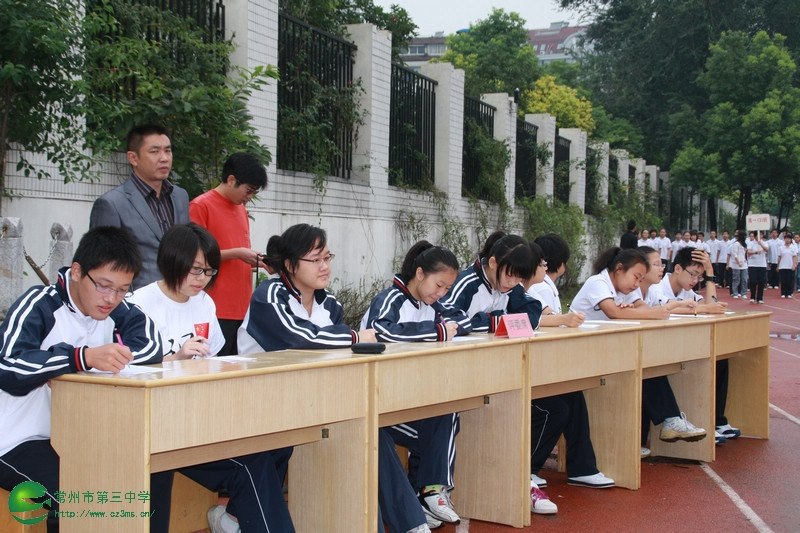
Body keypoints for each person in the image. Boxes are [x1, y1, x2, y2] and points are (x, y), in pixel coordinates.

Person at [237, 224, 430, 533]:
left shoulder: (330, 303)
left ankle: (411, 524)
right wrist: (353, 336)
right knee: (359, 429)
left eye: (327, 258)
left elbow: (338, 351)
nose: (324, 266)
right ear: (290, 264)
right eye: (315, 259)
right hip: (262, 401)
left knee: (368, 429)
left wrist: (350, 340)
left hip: (314, 399)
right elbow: (300, 338)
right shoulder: (269, 295)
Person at [0, 226, 170, 533]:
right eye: (104, 286)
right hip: (15, 440)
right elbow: (8, 366)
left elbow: (151, 346)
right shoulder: (40, 304)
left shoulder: (116, 308)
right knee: (77, 498)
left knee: (149, 471)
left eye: (123, 289)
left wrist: (108, 359)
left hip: (74, 437)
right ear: (77, 272)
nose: (111, 299)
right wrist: (80, 358)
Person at [129, 223, 294, 532]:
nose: (202, 279)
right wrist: (174, 359)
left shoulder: (204, 302)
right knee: (250, 464)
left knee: (277, 442)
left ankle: (232, 519)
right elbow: (126, 372)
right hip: (159, 423)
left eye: (209, 272)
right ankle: (231, 520)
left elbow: (213, 359)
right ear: (172, 260)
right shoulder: (140, 305)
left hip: (201, 418)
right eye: (196, 270)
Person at [442, 232, 556, 515]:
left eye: (519, 279)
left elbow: (532, 312)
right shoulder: (467, 283)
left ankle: (519, 479)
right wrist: (496, 322)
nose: (513, 283)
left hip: (492, 371)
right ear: (493, 263)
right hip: (454, 372)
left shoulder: (508, 285)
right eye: (511, 275)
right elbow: (449, 319)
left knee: (523, 407)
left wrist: (501, 320)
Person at [361, 241, 472, 527]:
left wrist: (447, 326)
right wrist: (436, 331)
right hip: (375, 403)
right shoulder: (391, 298)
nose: (441, 293)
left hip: (408, 399)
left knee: (447, 410)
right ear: (420, 274)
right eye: (439, 285)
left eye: (447, 288)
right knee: (438, 429)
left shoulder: (431, 304)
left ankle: (429, 492)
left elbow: (462, 321)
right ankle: (427, 493)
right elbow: (381, 330)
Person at [569, 247, 707, 458]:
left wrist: (655, 312)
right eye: (635, 277)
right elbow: (613, 312)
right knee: (643, 365)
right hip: (581, 351)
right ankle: (666, 422)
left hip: (604, 348)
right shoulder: (598, 282)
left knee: (647, 364)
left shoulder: (624, 288)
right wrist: (652, 314)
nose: (636, 284)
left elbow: (641, 308)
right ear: (619, 269)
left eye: (640, 279)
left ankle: (658, 427)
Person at [524, 239, 614, 495]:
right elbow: (531, 319)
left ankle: (582, 467)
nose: (545, 266)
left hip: (541, 361)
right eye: (540, 263)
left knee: (573, 394)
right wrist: (561, 319)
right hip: (529, 367)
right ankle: (527, 467)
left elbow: (539, 315)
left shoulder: (535, 287)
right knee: (556, 408)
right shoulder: (533, 287)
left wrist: (558, 319)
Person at [90, 124, 190, 290]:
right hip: (136, 299)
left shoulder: (180, 196)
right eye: (154, 151)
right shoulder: (111, 204)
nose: (164, 158)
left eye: (168, 150)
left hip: (178, 295)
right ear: (133, 158)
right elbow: (103, 265)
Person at [656, 247, 739, 445]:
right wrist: (704, 309)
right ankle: (704, 421)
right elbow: (667, 310)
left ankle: (716, 421)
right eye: (693, 274)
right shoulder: (658, 286)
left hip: (679, 343)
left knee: (720, 357)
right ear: (678, 269)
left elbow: (712, 305)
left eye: (699, 276)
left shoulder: (687, 290)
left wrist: (710, 274)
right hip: (660, 346)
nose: (695, 280)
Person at [190, 153, 268, 355]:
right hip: (215, 306)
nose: (250, 197)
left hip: (242, 307)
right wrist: (237, 253)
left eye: (254, 192)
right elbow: (193, 256)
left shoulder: (241, 209)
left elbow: (238, 255)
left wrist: (257, 261)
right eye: (248, 190)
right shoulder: (201, 205)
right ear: (232, 180)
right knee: (214, 366)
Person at [746, 231, 769, 303]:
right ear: (755, 236)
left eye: (761, 235)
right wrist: (755, 252)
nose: (760, 236)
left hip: (762, 265)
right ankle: (752, 296)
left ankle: (760, 298)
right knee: (753, 281)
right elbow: (749, 252)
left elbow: (767, 249)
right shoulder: (751, 243)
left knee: (761, 282)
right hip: (752, 264)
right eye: (758, 235)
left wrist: (761, 244)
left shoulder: (764, 242)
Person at [777, 233, 798, 298]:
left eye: (789, 239)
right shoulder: (781, 248)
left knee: (789, 280)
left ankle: (789, 293)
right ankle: (783, 293)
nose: (787, 240)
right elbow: (779, 257)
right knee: (783, 280)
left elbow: (795, 257)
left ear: (791, 240)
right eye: (786, 238)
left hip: (790, 266)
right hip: (782, 266)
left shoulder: (793, 247)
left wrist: (794, 265)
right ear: (784, 239)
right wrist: (778, 266)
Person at [729, 230, 749, 299]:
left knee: (744, 279)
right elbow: (735, 254)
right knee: (736, 279)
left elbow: (745, 254)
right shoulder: (736, 244)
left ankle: (744, 293)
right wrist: (738, 262)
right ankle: (735, 293)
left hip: (744, 264)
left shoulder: (745, 244)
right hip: (736, 264)